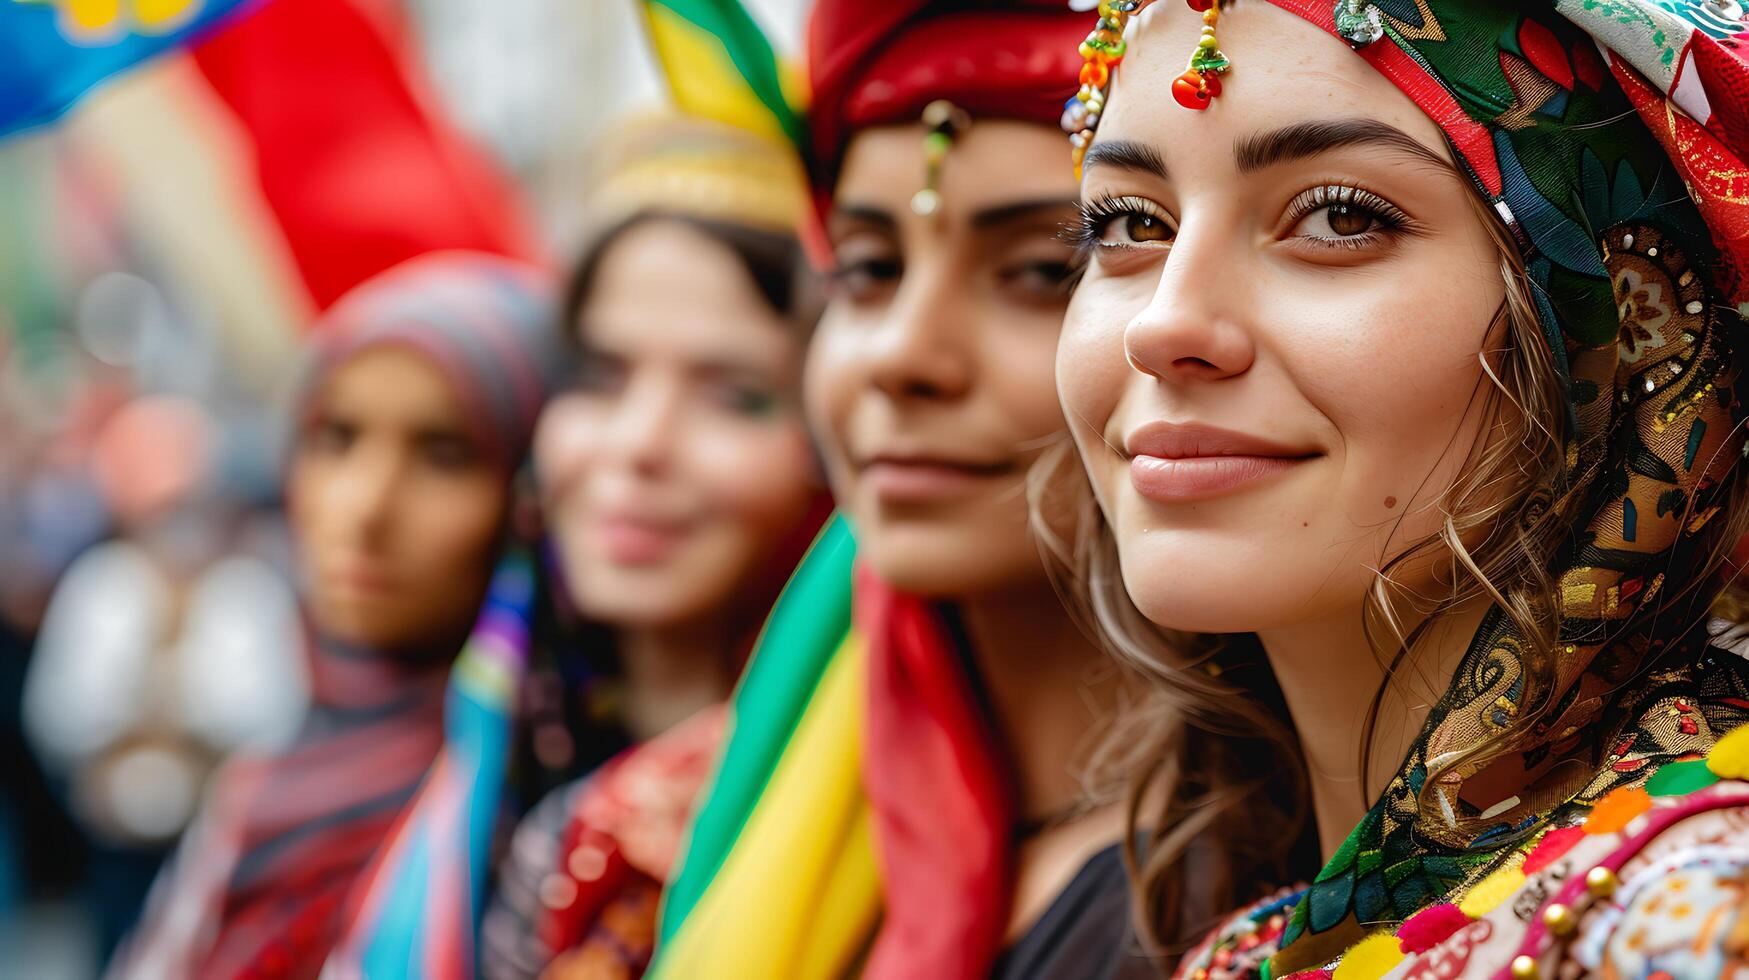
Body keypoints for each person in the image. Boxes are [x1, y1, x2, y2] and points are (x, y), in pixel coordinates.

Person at [1054, 0, 1749, 976]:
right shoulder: (1243, 950)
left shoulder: (1696, 916)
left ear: (1617, 335)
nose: (1162, 324)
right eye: (1128, 222)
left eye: (1341, 216)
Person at [648, 4, 1209, 978]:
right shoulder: (679, 813)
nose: (902, 354)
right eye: (867, 270)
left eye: (1041, 270)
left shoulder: (1267, 884)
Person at [113, 252, 561, 979]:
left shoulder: (546, 833)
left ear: (535, 493)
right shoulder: (263, 785)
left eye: (445, 454)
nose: (363, 507)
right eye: (336, 438)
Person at [478, 115, 828, 980]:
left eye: (736, 397)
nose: (639, 443)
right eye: (600, 378)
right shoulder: (473, 770)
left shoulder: (864, 815)